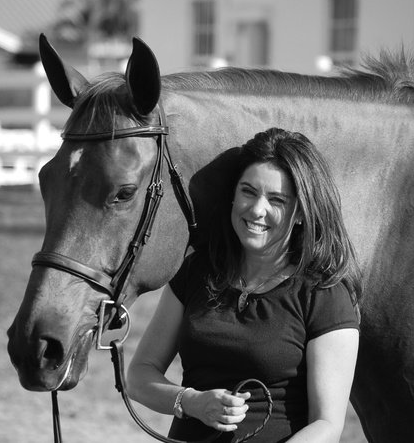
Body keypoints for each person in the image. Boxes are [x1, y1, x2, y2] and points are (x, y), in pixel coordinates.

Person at [127, 127, 361, 443]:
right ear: (233, 195)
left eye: (277, 199)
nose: (256, 210)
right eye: (248, 191)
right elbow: (140, 376)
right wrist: (191, 401)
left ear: (302, 214)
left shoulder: (324, 295)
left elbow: (327, 425)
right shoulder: (196, 270)